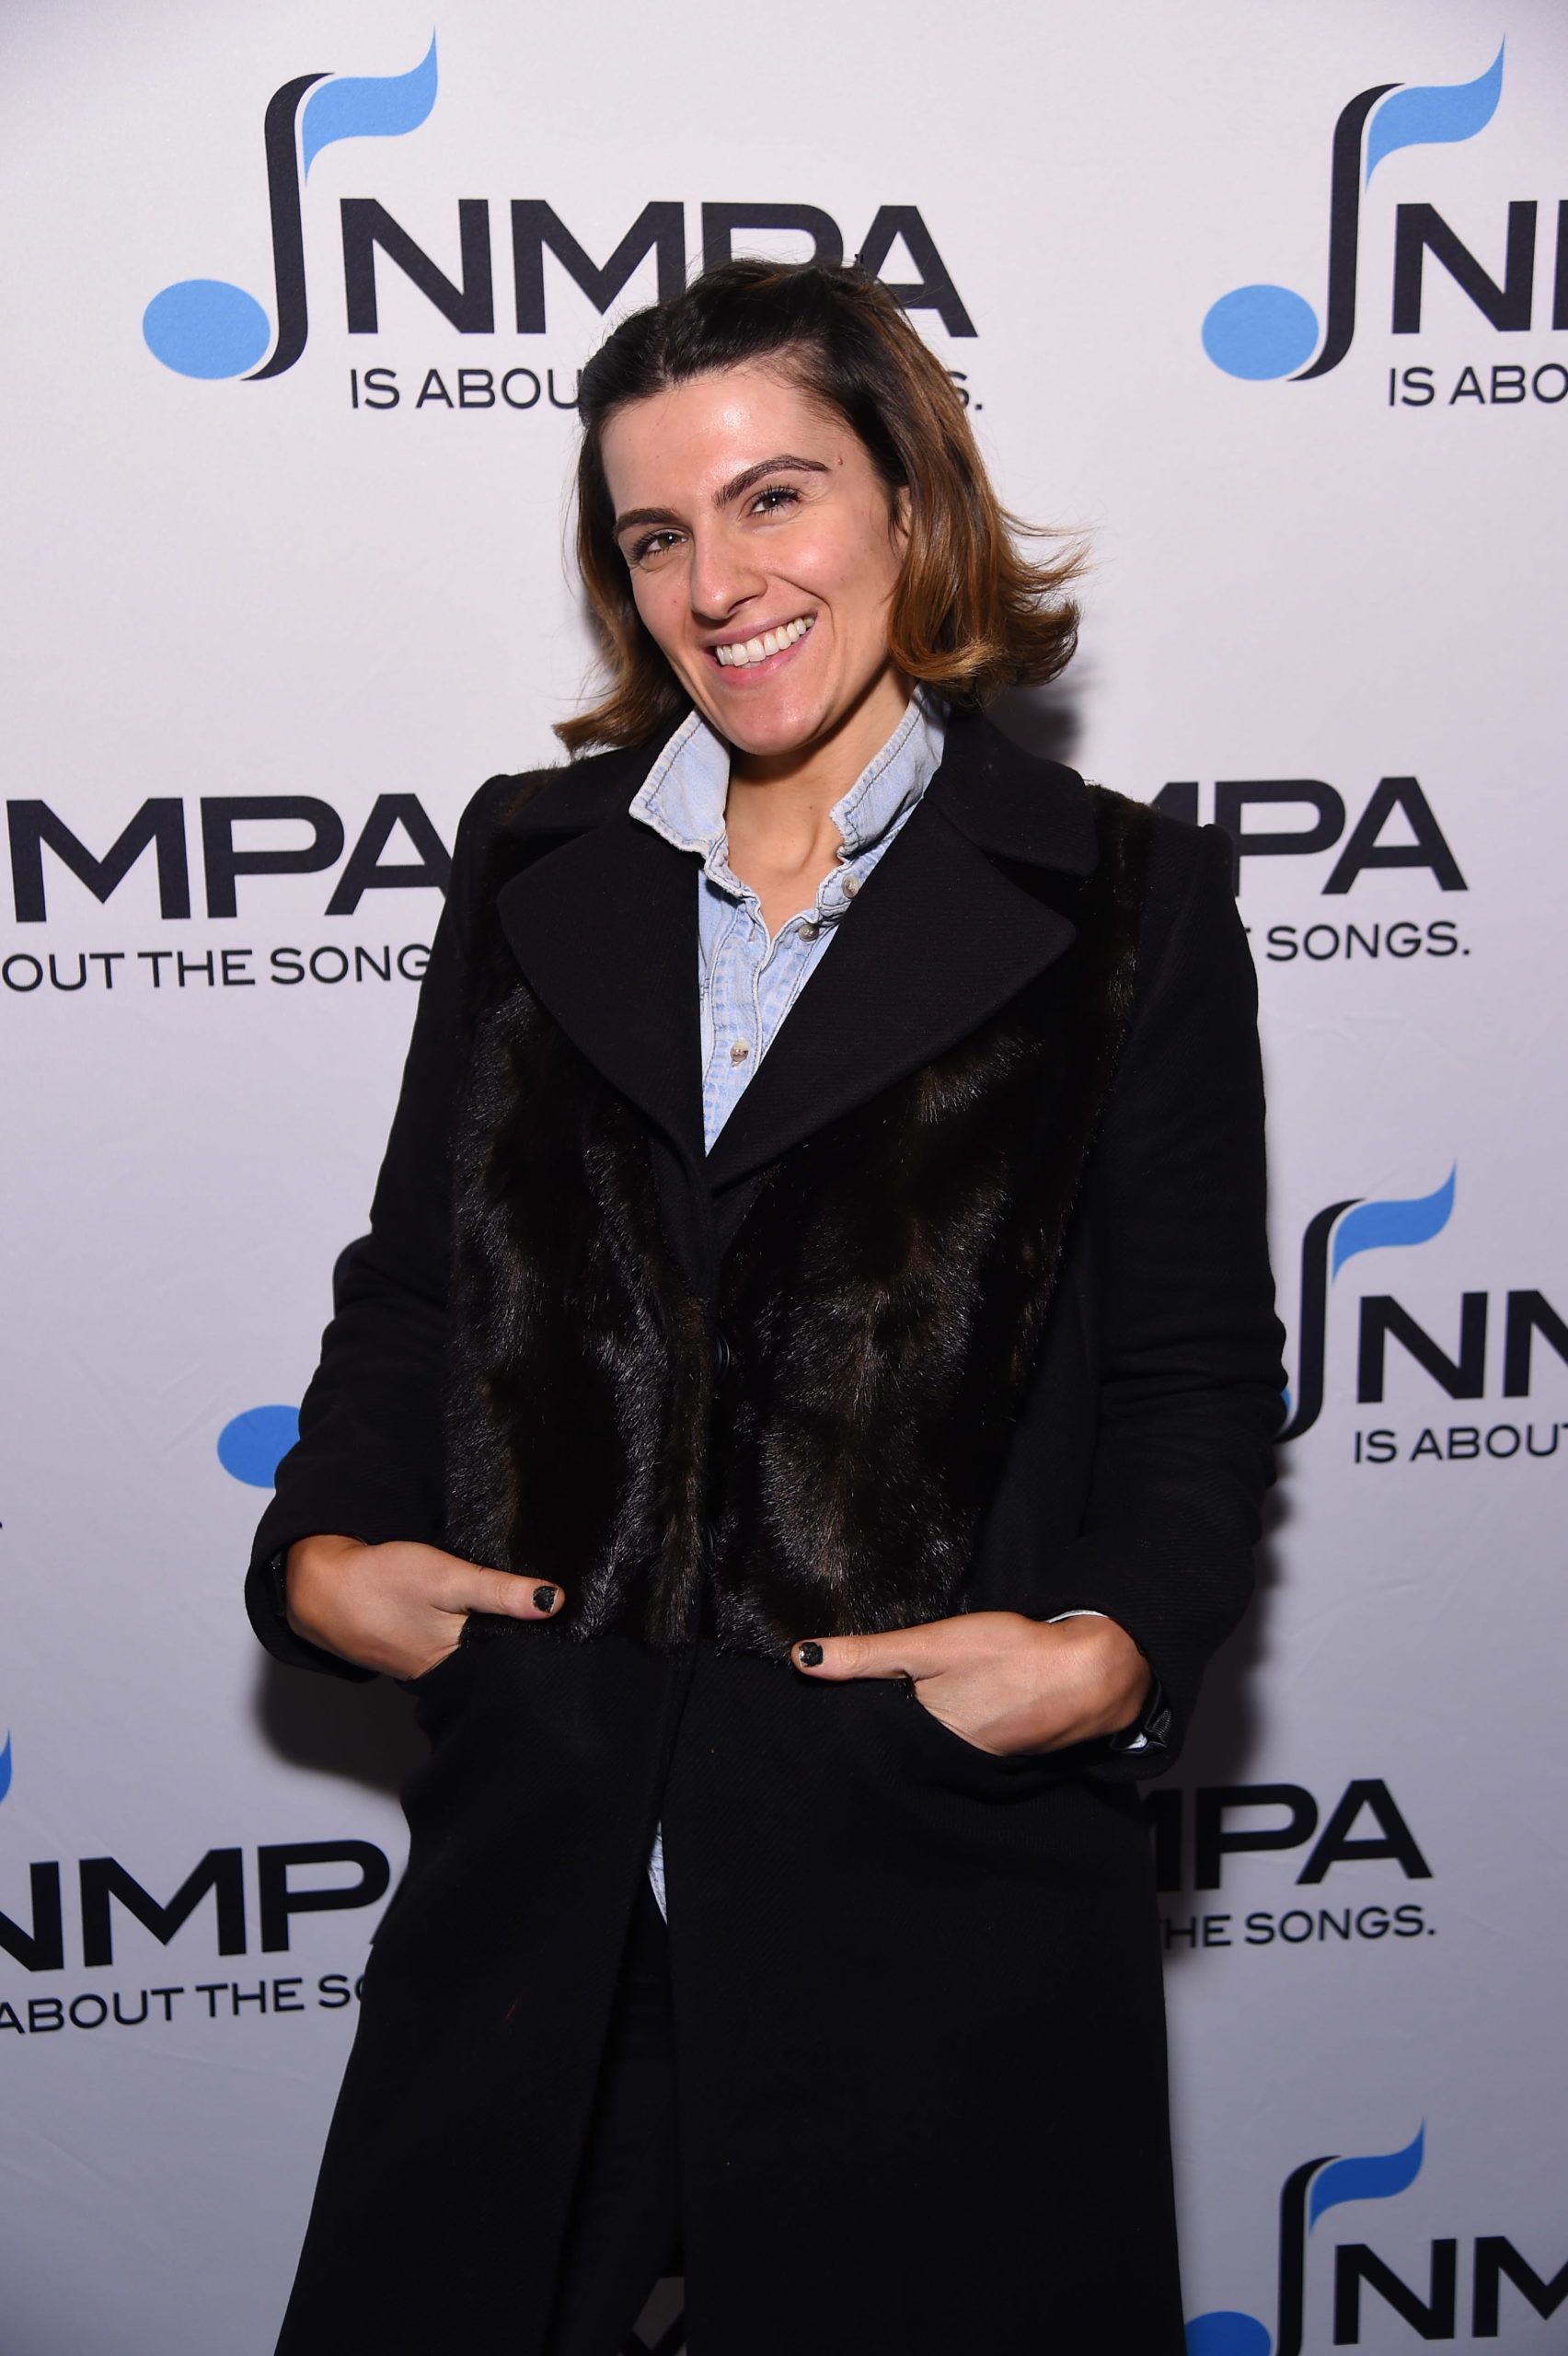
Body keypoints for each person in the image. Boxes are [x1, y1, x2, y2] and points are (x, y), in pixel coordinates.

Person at [248, 259, 1285, 2356]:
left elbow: (1193, 1376)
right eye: (655, 533)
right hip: (548, 1871)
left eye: (774, 498)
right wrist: (320, 1550)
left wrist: (1112, 1652)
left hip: (931, 1876)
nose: (717, 584)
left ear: (909, 494)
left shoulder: (1124, 901)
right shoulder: (530, 860)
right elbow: (420, 1284)